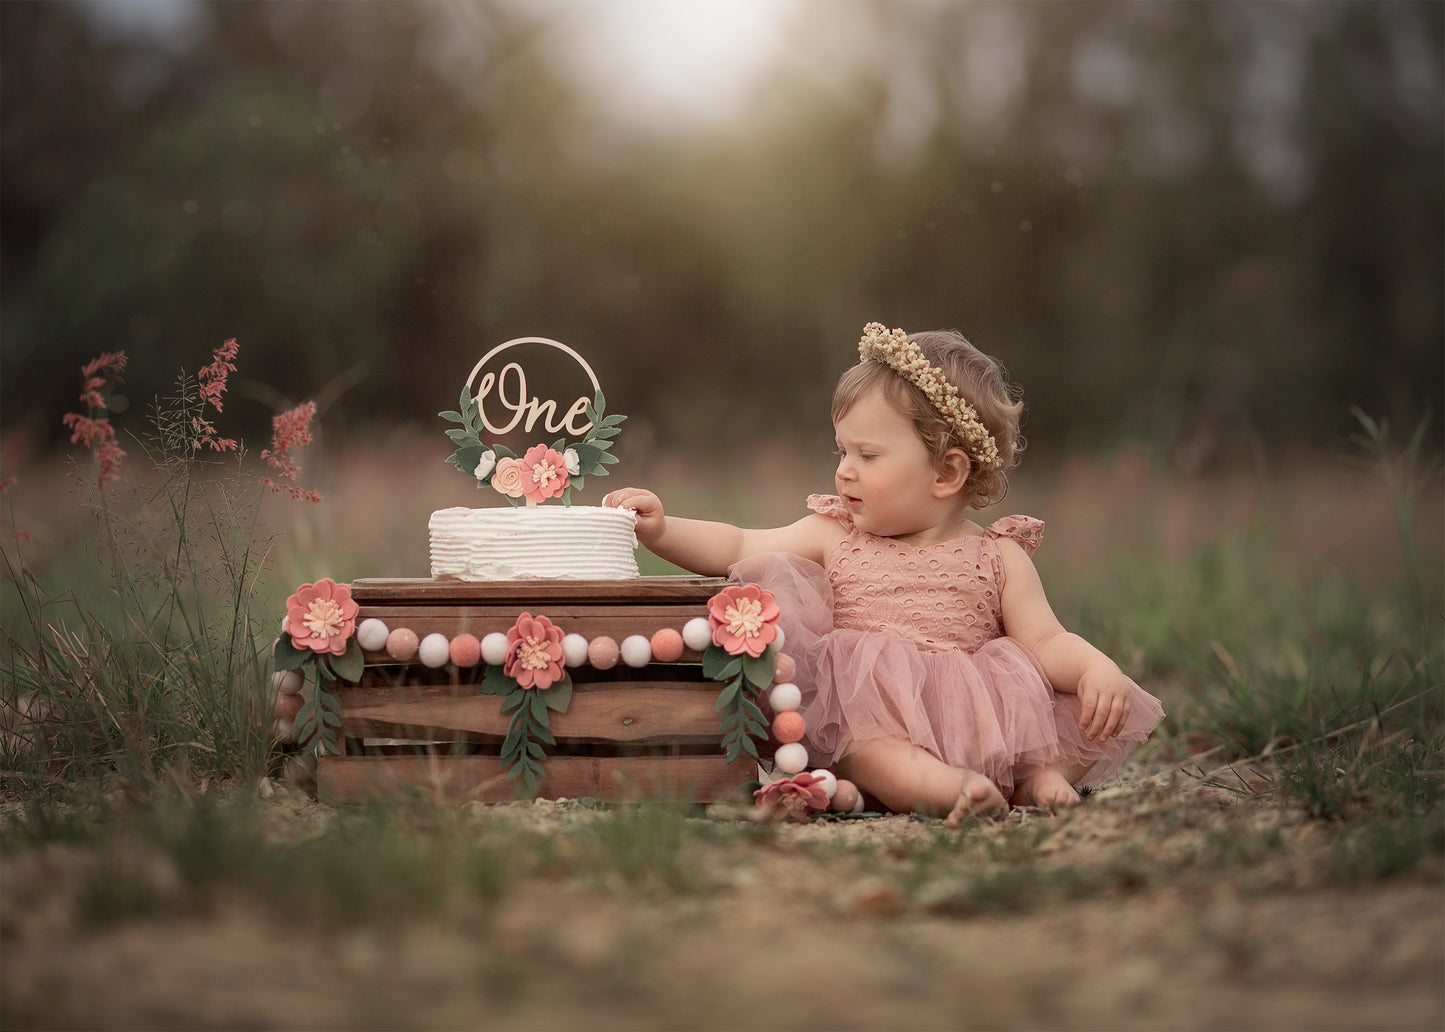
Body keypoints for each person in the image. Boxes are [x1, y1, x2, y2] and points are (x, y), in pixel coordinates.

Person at [604, 322, 1164, 825]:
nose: (844, 470)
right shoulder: (836, 532)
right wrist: (660, 527)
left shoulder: (998, 555)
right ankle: (948, 788)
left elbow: (1044, 640)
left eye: (867, 456)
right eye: (842, 451)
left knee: (1068, 721)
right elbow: (740, 542)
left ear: (947, 472)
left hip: (983, 716)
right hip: (873, 717)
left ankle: (1036, 777)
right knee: (866, 750)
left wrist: (1094, 666)